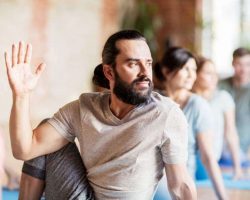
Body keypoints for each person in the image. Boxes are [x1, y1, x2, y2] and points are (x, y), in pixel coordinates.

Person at [4, 30, 196, 199]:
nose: (145, 72)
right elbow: (25, 149)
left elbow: (180, 185)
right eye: (133, 64)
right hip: (83, 196)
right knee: (44, 137)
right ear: (109, 72)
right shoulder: (83, 108)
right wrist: (21, 95)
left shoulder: (166, 114)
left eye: (148, 63)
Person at [154, 47, 227, 199]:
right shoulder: (154, 101)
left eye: (193, 70)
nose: (191, 75)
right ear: (167, 71)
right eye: (185, 69)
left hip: (180, 184)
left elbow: (208, 157)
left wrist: (223, 197)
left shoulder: (198, 105)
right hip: (151, 180)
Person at [192, 56, 243, 179]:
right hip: (184, 156)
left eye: (215, 73)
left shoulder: (223, 98)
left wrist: (237, 168)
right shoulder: (188, 98)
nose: (214, 77)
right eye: (208, 73)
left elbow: (231, 133)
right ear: (196, 74)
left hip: (207, 159)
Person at [219, 47, 250, 154]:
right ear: (232, 63)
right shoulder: (221, 85)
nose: (243, 69)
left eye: (247, 64)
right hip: (220, 146)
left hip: (245, 149)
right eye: (239, 64)